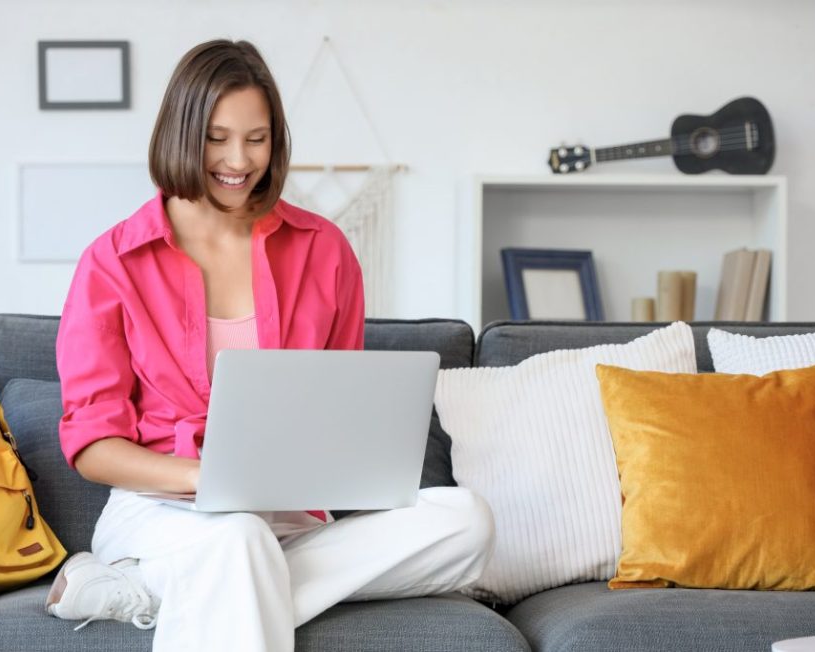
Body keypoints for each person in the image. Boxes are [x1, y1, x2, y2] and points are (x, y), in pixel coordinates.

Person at [45, 39, 495, 651]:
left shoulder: (323, 249)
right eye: (217, 137)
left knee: (465, 520)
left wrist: (332, 470)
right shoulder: (113, 262)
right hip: (161, 509)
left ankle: (152, 591)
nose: (238, 160)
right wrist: (207, 480)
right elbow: (94, 445)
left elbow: (338, 407)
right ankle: (187, 569)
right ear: (182, 134)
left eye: (256, 139)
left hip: (289, 516)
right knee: (236, 539)